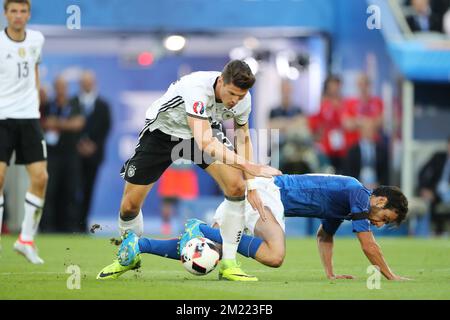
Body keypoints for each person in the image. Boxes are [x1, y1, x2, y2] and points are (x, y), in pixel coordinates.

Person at [97, 60, 281, 281]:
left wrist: (251, 186)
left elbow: (243, 138)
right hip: (163, 133)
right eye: (231, 93)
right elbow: (206, 143)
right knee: (129, 205)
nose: (234, 101)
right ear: (221, 81)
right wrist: (247, 165)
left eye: (240, 97)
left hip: (201, 132)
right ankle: (129, 255)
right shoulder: (196, 87)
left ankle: (229, 263)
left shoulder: (243, 100)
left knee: (236, 186)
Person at [111, 174, 411, 281]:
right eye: (384, 218)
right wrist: (391, 275)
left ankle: (141, 245)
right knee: (274, 255)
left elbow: (324, 236)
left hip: (262, 196)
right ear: (380, 199)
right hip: (267, 194)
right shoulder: (359, 194)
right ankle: (203, 228)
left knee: (208, 253)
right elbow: (367, 243)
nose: (377, 223)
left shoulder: (347, 202)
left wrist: (330, 274)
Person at [0, 0, 47, 263]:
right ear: (5, 14)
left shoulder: (37, 39)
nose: (18, 16)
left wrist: (36, 103)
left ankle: (26, 240)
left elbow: (35, 69)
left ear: (28, 14)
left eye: (22, 11)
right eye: (13, 11)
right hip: (2, 118)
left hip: (29, 118)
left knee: (41, 178)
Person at [40, 76, 85, 232]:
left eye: (63, 86)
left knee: (71, 191)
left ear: (66, 88)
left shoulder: (74, 104)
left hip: (70, 155)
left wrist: (57, 123)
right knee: (49, 190)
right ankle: (47, 226)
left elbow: (78, 123)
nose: (60, 89)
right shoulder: (48, 105)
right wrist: (65, 124)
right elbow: (43, 123)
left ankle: (71, 227)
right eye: (58, 86)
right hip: (51, 155)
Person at [71, 70, 111, 233]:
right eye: (84, 81)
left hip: (94, 156)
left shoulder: (103, 105)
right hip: (73, 155)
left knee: (88, 189)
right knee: (72, 188)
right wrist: (78, 143)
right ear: (80, 83)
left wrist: (93, 145)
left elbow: (105, 128)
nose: (87, 84)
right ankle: (70, 222)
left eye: (89, 81)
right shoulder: (72, 102)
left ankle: (82, 223)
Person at [343, 118, 389, 189]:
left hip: (377, 186)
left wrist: (379, 185)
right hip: (357, 186)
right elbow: (348, 171)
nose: (368, 132)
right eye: (366, 129)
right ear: (361, 131)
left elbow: (385, 172)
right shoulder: (352, 150)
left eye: (371, 129)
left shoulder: (381, 150)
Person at [418, 137, 450, 235]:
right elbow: (422, 172)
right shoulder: (438, 157)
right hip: (436, 193)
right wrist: (424, 189)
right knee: (426, 204)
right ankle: (424, 234)